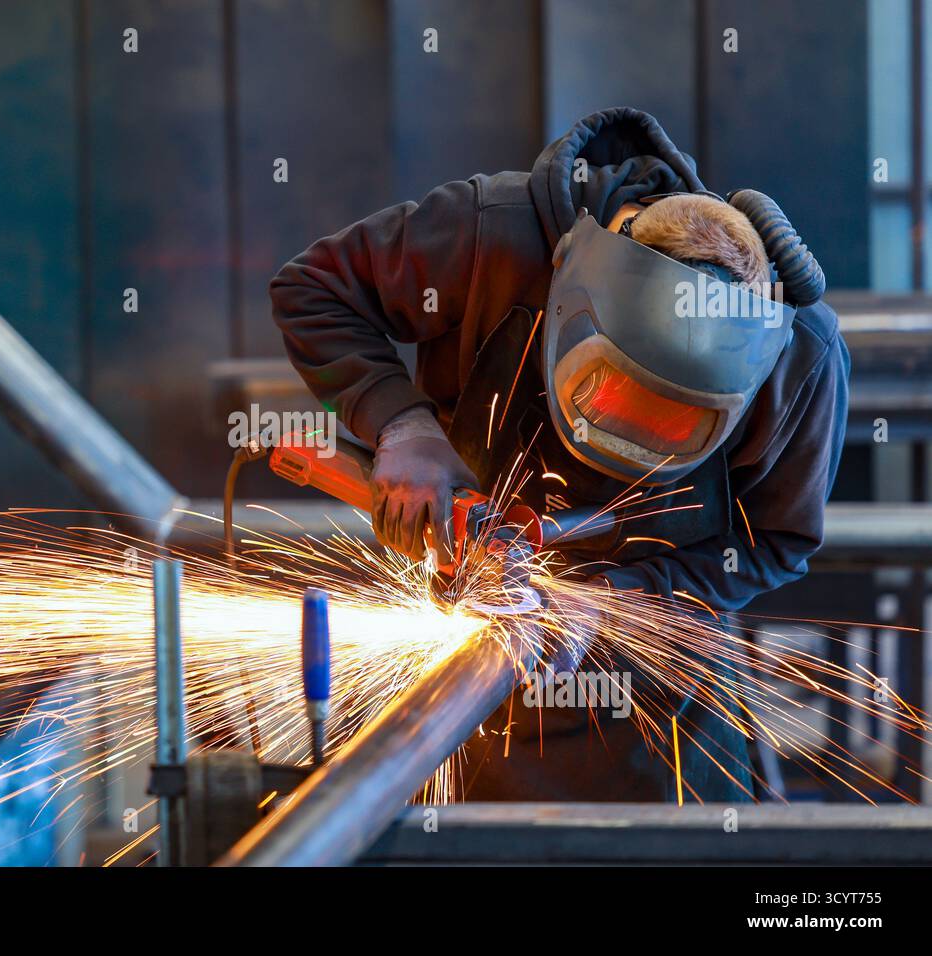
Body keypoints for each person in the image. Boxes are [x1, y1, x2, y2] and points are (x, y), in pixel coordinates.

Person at [269, 108, 849, 801]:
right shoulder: (494, 233)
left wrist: (610, 606)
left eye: (668, 422)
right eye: (614, 395)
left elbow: (774, 543)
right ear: (576, 289)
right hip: (463, 672)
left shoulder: (802, 355)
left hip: (662, 706)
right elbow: (313, 289)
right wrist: (402, 427)